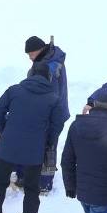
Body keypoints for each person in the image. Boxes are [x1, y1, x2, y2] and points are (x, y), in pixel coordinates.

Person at [0, 61, 65, 213]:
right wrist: (47, 141)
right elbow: (57, 124)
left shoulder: (14, 90)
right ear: (48, 78)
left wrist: (5, 130)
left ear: (30, 74)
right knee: (31, 188)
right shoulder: (53, 99)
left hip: (8, 147)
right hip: (34, 150)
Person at [24, 36, 70, 192]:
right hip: (52, 111)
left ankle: (45, 183)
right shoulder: (50, 59)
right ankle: (37, 178)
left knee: (48, 146)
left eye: (31, 53)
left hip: (52, 113)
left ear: (40, 49)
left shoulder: (50, 66)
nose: (30, 57)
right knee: (41, 145)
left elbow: (49, 94)